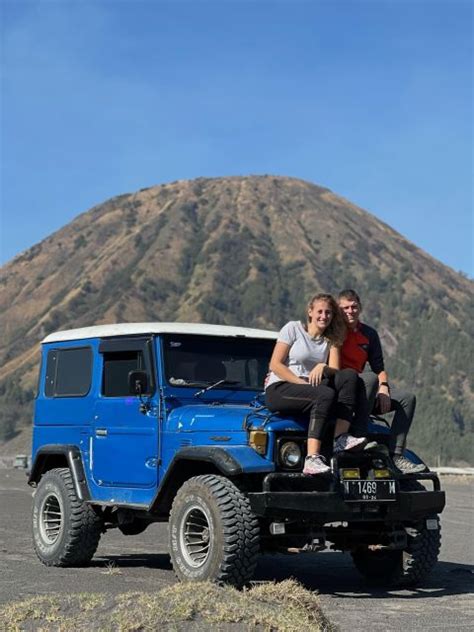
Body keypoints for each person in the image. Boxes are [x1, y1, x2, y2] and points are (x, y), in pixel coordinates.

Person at [265, 293, 367, 476]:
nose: (324, 316)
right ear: (310, 312)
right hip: (281, 388)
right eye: (320, 311)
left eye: (328, 312)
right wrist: (301, 383)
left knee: (350, 376)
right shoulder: (293, 329)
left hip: (312, 391)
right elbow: (275, 364)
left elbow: (335, 369)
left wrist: (323, 366)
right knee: (324, 394)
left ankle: (340, 438)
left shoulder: (331, 338)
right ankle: (312, 458)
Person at [338, 289, 425, 474]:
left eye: (354, 306)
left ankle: (397, 455)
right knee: (369, 379)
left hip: (365, 393)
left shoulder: (369, 334)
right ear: (338, 310)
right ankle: (358, 437)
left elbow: (379, 367)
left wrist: (384, 387)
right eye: (345, 307)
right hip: (342, 392)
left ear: (360, 308)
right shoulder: (334, 332)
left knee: (407, 398)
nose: (350, 311)